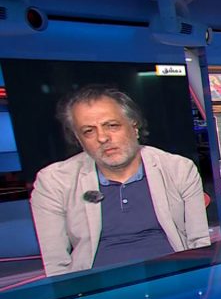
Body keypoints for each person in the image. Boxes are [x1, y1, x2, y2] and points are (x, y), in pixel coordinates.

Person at [30, 86, 210, 277]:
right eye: (89, 131)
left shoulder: (179, 169)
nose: (102, 138)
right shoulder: (53, 182)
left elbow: (200, 242)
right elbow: (56, 265)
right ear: (78, 139)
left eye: (112, 125)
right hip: (98, 289)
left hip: (173, 280)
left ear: (134, 126)